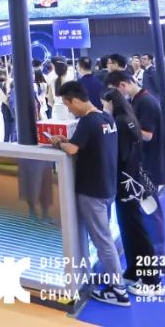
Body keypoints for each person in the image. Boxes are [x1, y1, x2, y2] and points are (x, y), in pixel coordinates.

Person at [48, 81, 129, 307]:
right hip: (107, 187)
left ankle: (118, 290)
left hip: (92, 191)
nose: (69, 109)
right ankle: (113, 280)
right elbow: (86, 144)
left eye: (68, 105)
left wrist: (59, 144)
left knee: (102, 240)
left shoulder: (87, 121)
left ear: (75, 100)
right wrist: (69, 142)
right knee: (104, 237)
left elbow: (72, 149)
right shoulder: (106, 119)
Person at [101, 88, 162, 296]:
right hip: (132, 180)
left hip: (125, 183)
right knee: (129, 228)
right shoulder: (129, 119)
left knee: (136, 230)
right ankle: (135, 270)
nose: (103, 108)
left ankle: (152, 280)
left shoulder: (119, 122)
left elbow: (120, 155)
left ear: (111, 102)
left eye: (104, 103)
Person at [106, 71, 165, 190]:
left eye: (115, 91)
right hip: (142, 160)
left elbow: (148, 135)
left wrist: (125, 126)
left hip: (149, 162)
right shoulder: (136, 99)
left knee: (146, 197)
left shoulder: (146, 102)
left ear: (123, 85)